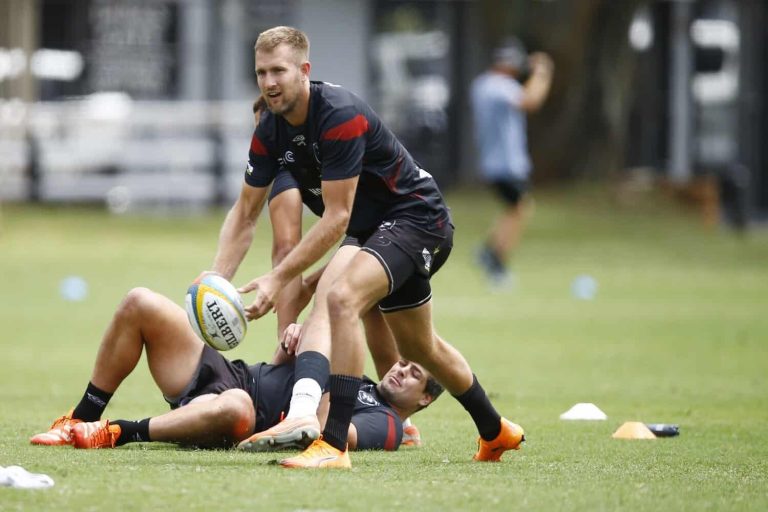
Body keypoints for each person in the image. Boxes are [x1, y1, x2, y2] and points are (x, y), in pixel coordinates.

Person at [214, 26, 524, 469]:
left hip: (418, 219)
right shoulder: (270, 130)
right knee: (420, 349)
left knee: (341, 299)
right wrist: (215, 278)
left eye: (278, 71)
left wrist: (280, 278)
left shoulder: (338, 114)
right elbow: (245, 214)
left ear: (304, 70)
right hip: (376, 229)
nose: (269, 82)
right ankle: (496, 431)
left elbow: (338, 219)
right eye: (261, 72)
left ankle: (333, 444)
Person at [29, 287, 442, 451]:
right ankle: (79, 419)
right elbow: (282, 379)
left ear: (424, 399)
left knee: (237, 406)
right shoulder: (362, 379)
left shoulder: (386, 423)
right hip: (230, 373)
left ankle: (119, 431)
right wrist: (293, 351)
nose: (399, 371)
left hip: (239, 414)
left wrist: (325, 373)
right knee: (140, 303)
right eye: (404, 363)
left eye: (413, 375)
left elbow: (335, 433)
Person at [256, 95, 423, 446]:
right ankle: (299, 383)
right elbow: (286, 250)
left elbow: (337, 222)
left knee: (354, 301)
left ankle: (389, 414)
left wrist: (294, 286)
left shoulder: (325, 146)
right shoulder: (281, 172)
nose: (264, 137)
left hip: (386, 226)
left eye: (269, 127)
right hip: (364, 233)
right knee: (343, 301)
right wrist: (289, 329)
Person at [470, 37, 554, 284]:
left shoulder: (482, 84)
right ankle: (495, 261)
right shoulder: (499, 85)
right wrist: (542, 72)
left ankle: (488, 251)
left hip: (495, 162)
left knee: (515, 208)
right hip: (504, 163)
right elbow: (531, 101)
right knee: (520, 209)